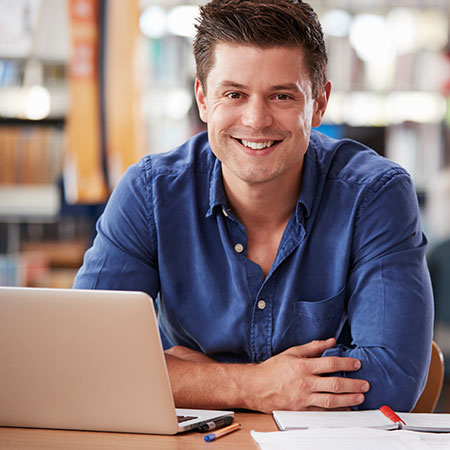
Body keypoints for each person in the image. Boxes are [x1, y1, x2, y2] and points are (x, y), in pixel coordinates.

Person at [73, 0, 433, 413]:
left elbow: (392, 380)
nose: (257, 120)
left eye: (281, 96)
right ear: (203, 100)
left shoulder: (375, 195)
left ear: (318, 103)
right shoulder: (150, 192)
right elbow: (90, 359)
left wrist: (186, 376)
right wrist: (250, 385)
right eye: (234, 94)